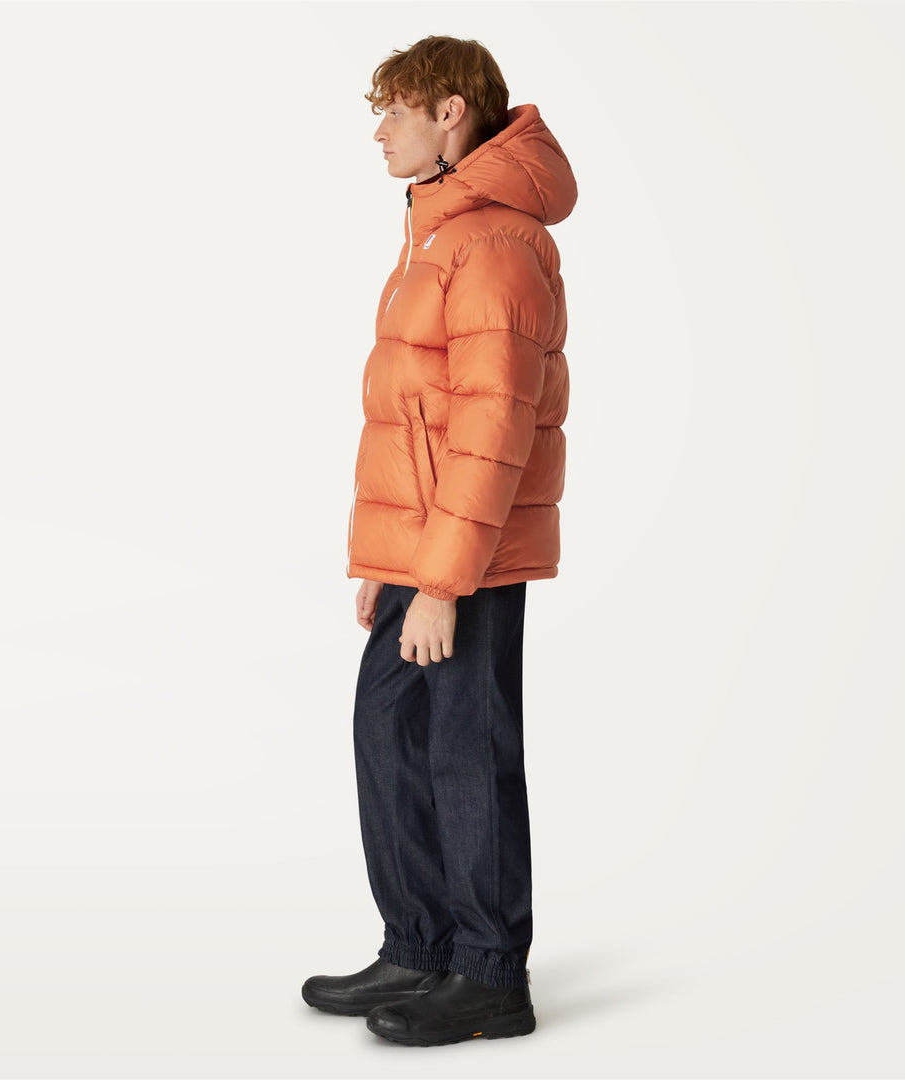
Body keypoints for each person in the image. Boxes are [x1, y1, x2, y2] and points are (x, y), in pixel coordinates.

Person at [302, 34, 576, 1047]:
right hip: (425, 554)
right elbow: (416, 416)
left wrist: (445, 583)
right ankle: (420, 944)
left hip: (470, 560)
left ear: (450, 112)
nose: (380, 132)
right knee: (390, 733)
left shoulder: (492, 241)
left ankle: (491, 974)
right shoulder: (438, 230)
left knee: (465, 751)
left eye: (395, 111)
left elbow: (492, 426)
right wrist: (393, 566)